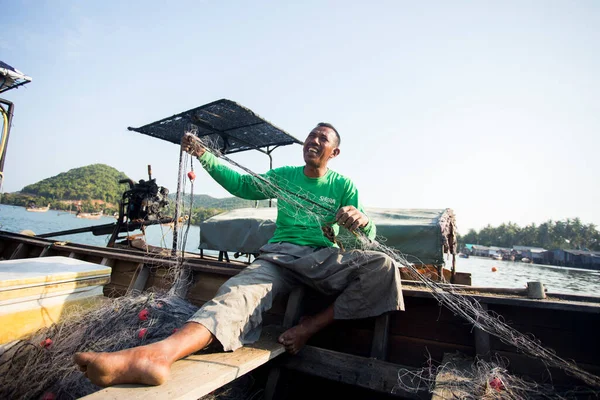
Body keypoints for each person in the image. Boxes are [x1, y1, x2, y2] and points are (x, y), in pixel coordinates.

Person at [74, 123, 405, 387]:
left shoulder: (344, 186)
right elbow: (242, 185)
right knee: (234, 294)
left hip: (322, 258)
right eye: (310, 136)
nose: (313, 141)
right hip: (279, 258)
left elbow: (360, 238)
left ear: (335, 151)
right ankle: (157, 356)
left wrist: (363, 223)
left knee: (383, 266)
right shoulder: (285, 176)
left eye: (322, 138)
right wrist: (205, 156)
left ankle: (308, 328)